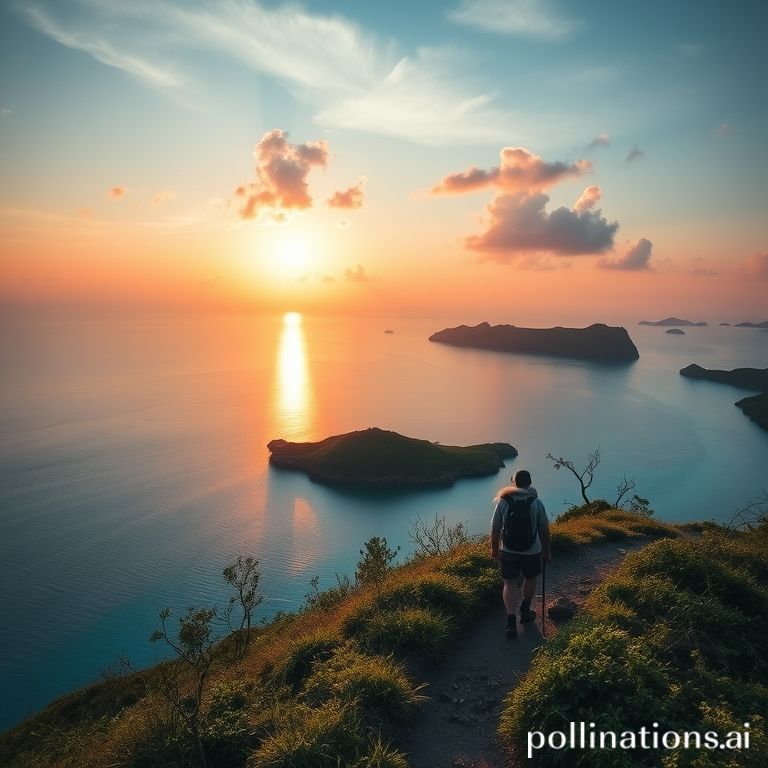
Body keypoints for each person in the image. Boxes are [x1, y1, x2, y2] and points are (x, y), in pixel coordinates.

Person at [489, 469, 551, 638]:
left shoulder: (504, 501)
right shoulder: (536, 502)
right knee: (530, 578)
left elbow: (495, 527)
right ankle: (525, 608)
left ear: (514, 483)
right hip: (531, 551)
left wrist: (494, 549)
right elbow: (543, 529)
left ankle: (510, 622)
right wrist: (546, 551)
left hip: (508, 550)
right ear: (529, 483)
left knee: (509, 583)